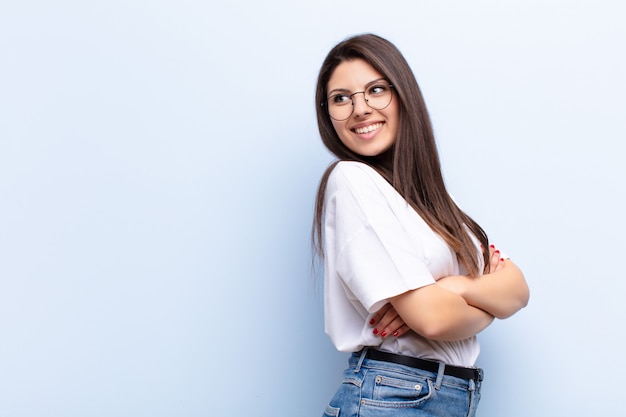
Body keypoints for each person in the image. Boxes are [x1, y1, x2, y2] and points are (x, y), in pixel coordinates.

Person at [312, 33, 529, 417]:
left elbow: (517, 290)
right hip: (393, 396)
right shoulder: (352, 181)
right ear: (328, 114)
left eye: (376, 90)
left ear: (403, 96)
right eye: (341, 98)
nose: (359, 108)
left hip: (445, 396)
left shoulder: (437, 202)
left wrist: (453, 286)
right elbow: (433, 318)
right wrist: (485, 301)